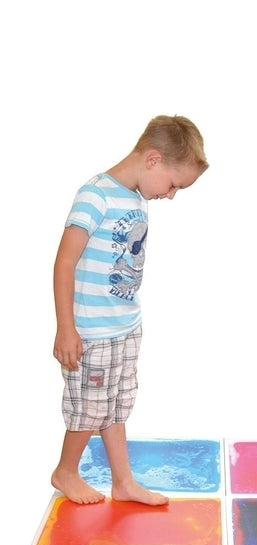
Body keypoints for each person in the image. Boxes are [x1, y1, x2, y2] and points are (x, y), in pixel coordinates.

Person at [51, 115, 209, 505]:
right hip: (92, 330)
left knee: (117, 406)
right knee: (90, 408)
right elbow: (64, 262)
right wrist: (66, 328)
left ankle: (123, 482)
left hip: (125, 325)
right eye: (174, 185)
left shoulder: (136, 198)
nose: (171, 195)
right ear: (153, 160)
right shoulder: (96, 195)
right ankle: (66, 471)